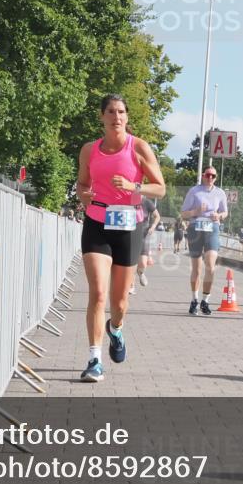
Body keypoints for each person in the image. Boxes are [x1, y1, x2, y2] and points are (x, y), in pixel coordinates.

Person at [75, 94, 165, 382]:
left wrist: (133, 185)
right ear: (102, 116)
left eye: (122, 112)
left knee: (119, 303)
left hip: (128, 225)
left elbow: (160, 188)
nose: (117, 117)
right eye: (111, 112)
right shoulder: (89, 150)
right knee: (98, 293)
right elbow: (82, 183)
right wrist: (83, 194)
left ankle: (115, 329)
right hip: (97, 222)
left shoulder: (138, 148)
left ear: (127, 117)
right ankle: (94, 359)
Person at [180, 167, 229, 315]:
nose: (210, 178)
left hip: (212, 228)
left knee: (210, 265)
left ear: (216, 177)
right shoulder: (194, 191)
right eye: (208, 175)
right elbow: (183, 213)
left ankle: (205, 300)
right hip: (195, 228)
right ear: (203, 176)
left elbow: (225, 212)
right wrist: (196, 212)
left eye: (213, 176)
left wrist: (219, 216)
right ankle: (194, 300)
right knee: (197, 268)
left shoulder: (220, 193)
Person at [130, 197, 160, 293]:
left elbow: (157, 216)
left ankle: (141, 272)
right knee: (132, 262)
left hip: (144, 235)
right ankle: (131, 285)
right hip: (131, 234)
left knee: (142, 262)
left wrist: (153, 226)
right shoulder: (129, 200)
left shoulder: (147, 202)